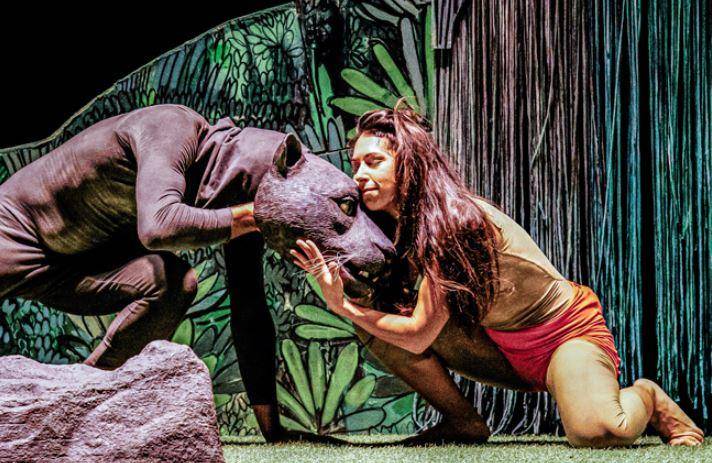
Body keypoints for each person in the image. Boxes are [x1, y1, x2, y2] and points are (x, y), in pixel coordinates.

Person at [290, 103, 705, 447]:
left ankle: (647, 396)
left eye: (374, 161)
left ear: (410, 163)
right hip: (498, 346)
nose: (359, 174)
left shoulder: (452, 222)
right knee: (379, 321)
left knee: (598, 432)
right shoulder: (400, 223)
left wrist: (342, 307)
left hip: (564, 338)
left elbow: (418, 334)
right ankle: (463, 423)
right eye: (355, 164)